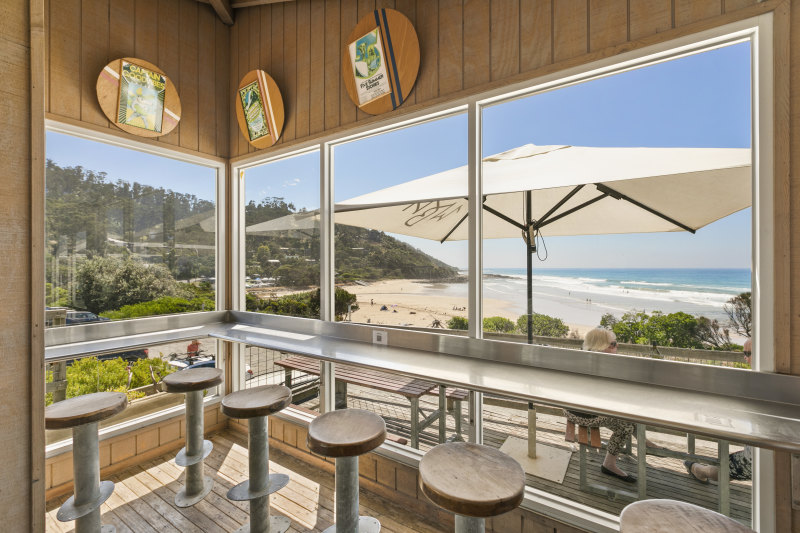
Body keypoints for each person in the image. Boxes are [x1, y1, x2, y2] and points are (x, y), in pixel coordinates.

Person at [566, 328, 662, 482]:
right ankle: (609, 464)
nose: (617, 348)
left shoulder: (588, 358)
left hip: (579, 408)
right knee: (626, 425)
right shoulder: (600, 365)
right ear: (599, 346)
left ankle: (643, 440)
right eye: (613, 345)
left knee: (630, 414)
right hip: (581, 414)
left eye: (616, 344)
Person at [685, 339, 753, 484]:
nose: (746, 358)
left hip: (758, 457)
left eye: (749, 353)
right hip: (757, 451)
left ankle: (698, 470)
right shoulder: (757, 378)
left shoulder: (758, 381)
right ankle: (698, 469)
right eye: (744, 354)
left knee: (725, 468)